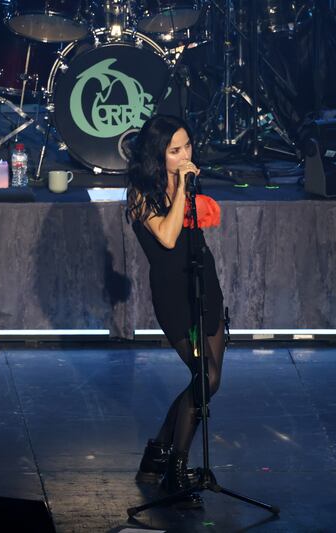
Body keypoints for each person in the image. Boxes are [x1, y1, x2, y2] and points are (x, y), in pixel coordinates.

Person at [126, 114, 226, 508]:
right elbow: (167, 238)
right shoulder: (140, 191)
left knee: (210, 382)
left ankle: (157, 455)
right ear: (157, 154)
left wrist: (190, 189)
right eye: (175, 150)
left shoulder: (188, 180)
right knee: (205, 378)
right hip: (173, 293)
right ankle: (177, 471)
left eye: (187, 146)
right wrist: (183, 187)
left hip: (204, 283)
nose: (185, 156)